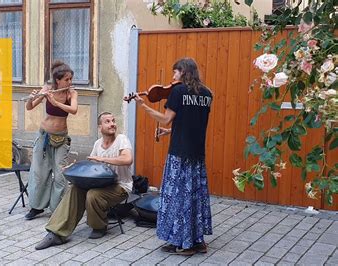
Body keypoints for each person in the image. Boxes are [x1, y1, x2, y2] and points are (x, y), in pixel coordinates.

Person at [134, 58, 213, 256]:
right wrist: (170, 132)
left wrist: (143, 106)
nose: (172, 77)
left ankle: (185, 243)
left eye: (175, 72)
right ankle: (194, 240)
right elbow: (193, 123)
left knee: (177, 198)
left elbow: (167, 119)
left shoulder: (178, 91)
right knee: (194, 198)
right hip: (197, 154)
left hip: (179, 155)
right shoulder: (206, 94)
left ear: (183, 72)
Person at [34, 112, 133, 250]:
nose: (112, 124)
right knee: (75, 188)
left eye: (113, 121)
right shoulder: (97, 144)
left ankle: (99, 226)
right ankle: (56, 233)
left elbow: (127, 159)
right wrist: (73, 168)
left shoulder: (121, 139)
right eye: (107, 121)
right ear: (100, 127)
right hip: (101, 183)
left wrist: (103, 159)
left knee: (92, 194)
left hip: (120, 186)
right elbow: (90, 165)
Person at [24, 60, 78, 220]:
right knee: (39, 173)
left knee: (60, 175)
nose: (70, 82)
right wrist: (30, 98)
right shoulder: (47, 89)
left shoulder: (71, 93)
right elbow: (29, 107)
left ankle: (56, 209)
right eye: (67, 79)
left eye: (71, 79)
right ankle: (36, 207)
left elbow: (74, 110)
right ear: (57, 81)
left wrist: (55, 102)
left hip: (61, 139)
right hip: (44, 137)